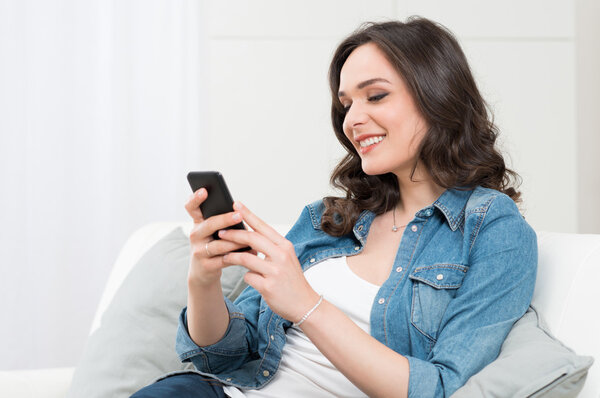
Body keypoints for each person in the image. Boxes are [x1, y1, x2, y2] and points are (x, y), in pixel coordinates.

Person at [132, 16, 537, 398]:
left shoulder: (491, 227)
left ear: (438, 97)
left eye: (375, 96)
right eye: (346, 105)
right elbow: (224, 356)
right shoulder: (327, 220)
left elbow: (439, 388)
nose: (351, 120)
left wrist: (306, 304)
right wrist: (203, 281)